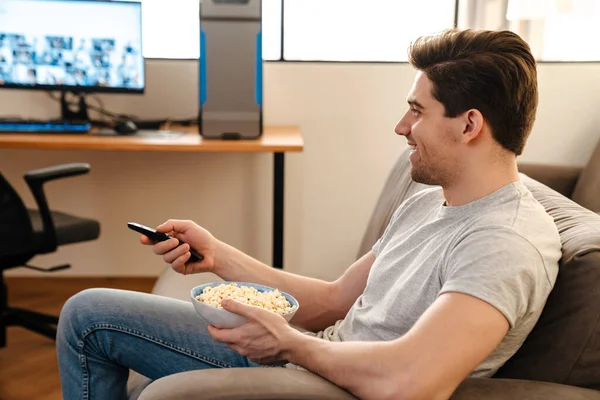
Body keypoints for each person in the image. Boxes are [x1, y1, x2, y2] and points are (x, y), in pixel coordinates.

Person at [56, 28, 561, 400]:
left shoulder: (504, 241)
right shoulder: (433, 198)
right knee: (88, 313)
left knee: (162, 396)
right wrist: (217, 256)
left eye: (417, 110)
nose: (400, 125)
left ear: (470, 124)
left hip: (343, 387)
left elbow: (413, 381)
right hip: (318, 358)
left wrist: (290, 345)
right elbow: (334, 299)